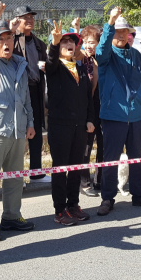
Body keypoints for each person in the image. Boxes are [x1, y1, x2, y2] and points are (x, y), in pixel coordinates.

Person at [0, 2, 36, 241]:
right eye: (1, 39)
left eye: (9, 39)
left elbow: (26, 99)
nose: (5, 43)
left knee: (14, 178)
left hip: (17, 130)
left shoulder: (19, 65)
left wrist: (30, 122)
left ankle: (11, 216)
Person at [96, 7, 141, 215]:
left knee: (136, 157)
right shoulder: (106, 56)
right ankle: (107, 198)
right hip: (113, 115)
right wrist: (111, 22)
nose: (122, 35)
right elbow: (100, 50)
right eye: (118, 31)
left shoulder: (136, 56)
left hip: (134, 116)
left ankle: (139, 194)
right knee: (111, 159)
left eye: (125, 32)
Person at [46, 21, 96, 225]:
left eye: (71, 42)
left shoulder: (81, 68)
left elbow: (88, 98)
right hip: (60, 127)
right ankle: (60, 210)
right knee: (60, 169)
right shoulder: (55, 67)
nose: (68, 44)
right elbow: (49, 62)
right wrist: (53, 44)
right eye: (64, 42)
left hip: (80, 126)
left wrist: (90, 119)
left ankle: (73, 205)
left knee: (76, 167)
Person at [12, 5, 48, 180]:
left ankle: (36, 171)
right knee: (17, 131)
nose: (29, 21)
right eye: (25, 18)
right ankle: (15, 174)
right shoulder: (11, 40)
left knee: (36, 131)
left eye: (31, 17)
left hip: (36, 90)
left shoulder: (39, 43)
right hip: (17, 93)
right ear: (16, 20)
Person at [79, 24, 103, 196]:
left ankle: (99, 180)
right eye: (86, 42)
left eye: (92, 42)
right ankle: (84, 182)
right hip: (88, 107)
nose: (89, 46)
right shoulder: (82, 60)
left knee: (104, 146)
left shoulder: (103, 60)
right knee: (86, 146)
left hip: (105, 107)